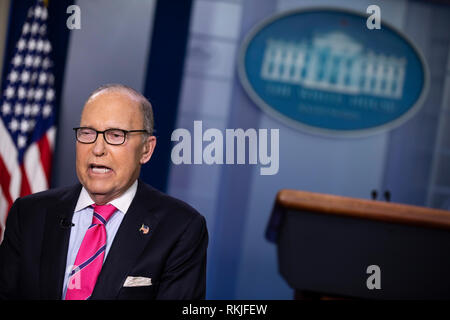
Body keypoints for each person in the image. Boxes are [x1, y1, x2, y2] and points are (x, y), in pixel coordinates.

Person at [0, 84, 208, 300]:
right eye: (88, 133)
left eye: (116, 135)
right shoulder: (28, 214)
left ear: (146, 149)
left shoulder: (180, 228)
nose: (98, 149)